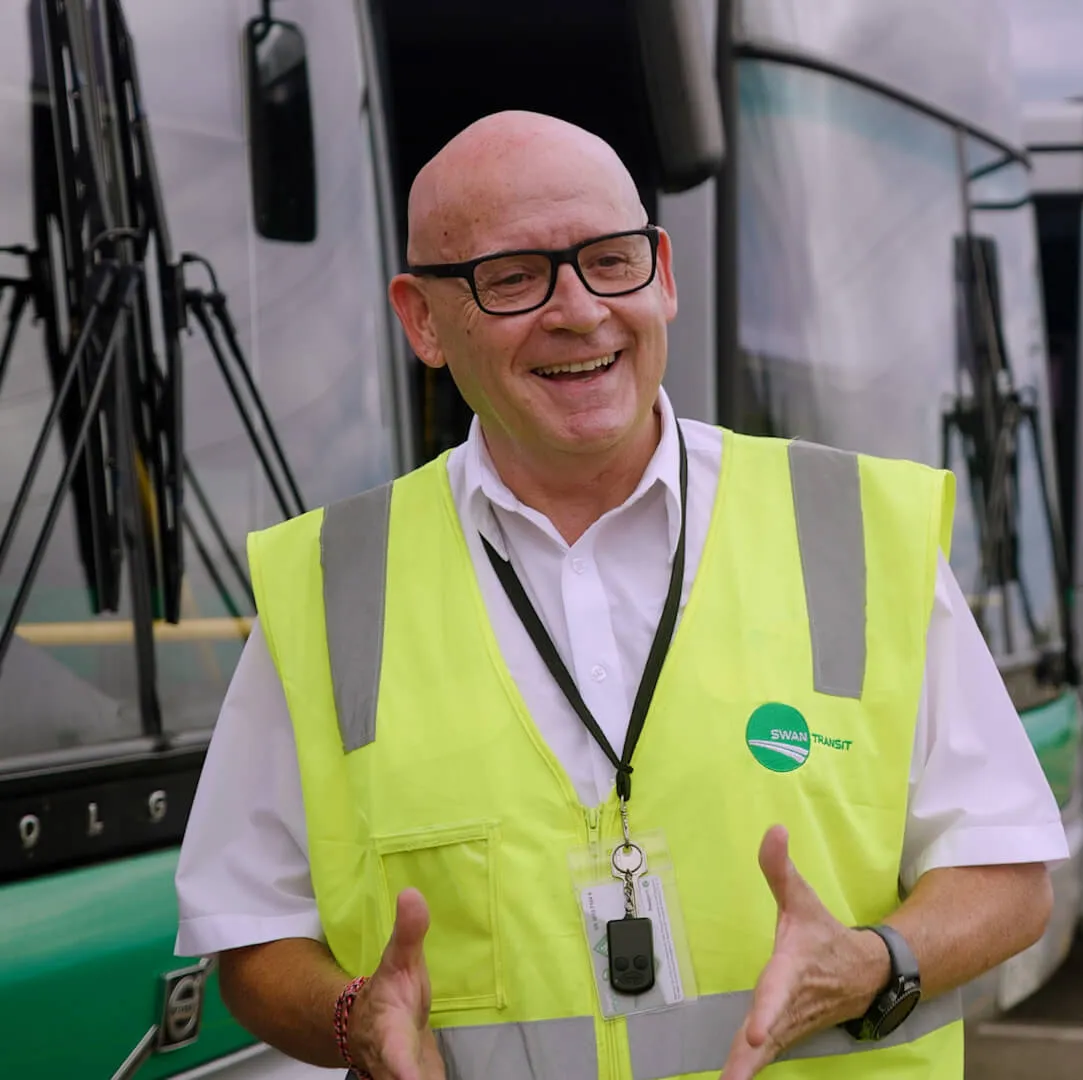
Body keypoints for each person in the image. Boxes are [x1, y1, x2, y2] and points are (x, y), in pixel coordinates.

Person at [175, 110, 1069, 1080]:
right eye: (514, 276)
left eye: (611, 260)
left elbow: (1009, 876)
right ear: (423, 319)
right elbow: (253, 938)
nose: (581, 310)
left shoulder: (855, 528)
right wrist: (354, 1018)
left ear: (665, 276)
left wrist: (874, 963)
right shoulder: (327, 585)